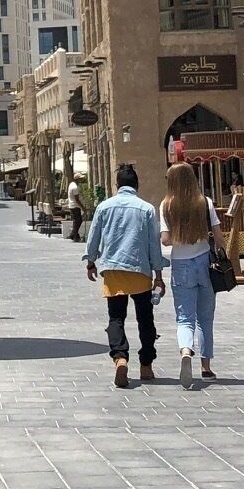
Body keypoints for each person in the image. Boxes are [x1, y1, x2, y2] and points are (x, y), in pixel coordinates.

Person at [84, 163, 166, 387]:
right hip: (140, 270)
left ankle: (120, 357)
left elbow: (93, 238)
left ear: (117, 184)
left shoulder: (104, 207)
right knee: (145, 319)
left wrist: (91, 262)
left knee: (116, 317)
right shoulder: (146, 208)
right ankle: (146, 365)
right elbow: (153, 245)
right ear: (137, 185)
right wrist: (158, 274)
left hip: (113, 269)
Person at [160, 162, 226, 388]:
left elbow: (166, 240)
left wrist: (180, 233)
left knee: (184, 317)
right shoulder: (204, 202)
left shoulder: (166, 205)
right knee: (205, 318)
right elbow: (218, 236)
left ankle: (186, 351)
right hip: (205, 262)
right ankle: (206, 369)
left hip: (181, 264)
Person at [66, 177, 84, 241]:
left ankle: (74, 234)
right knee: (78, 221)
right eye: (80, 179)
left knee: (76, 221)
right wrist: (83, 207)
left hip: (71, 205)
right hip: (75, 206)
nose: (81, 180)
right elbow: (77, 199)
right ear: (77, 179)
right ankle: (74, 234)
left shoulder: (71, 184)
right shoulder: (75, 187)